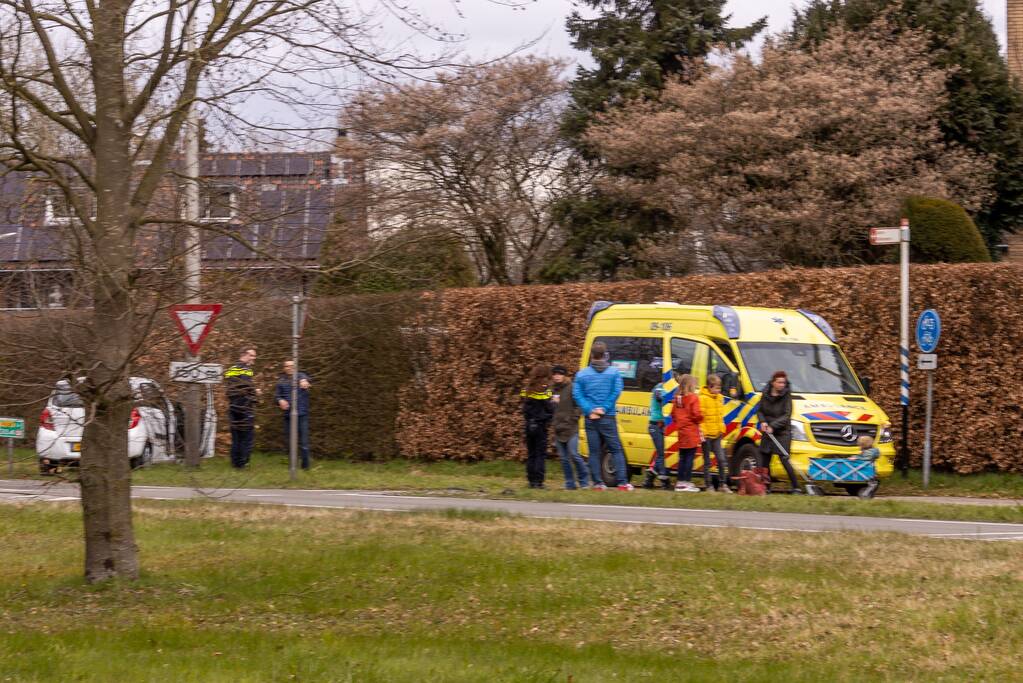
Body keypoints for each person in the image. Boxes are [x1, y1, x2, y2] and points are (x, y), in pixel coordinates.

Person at [573, 341, 633, 491]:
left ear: (592, 355)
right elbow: (616, 391)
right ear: (605, 355)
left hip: (590, 419)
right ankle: (622, 483)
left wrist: (589, 410)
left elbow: (577, 394)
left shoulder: (582, 374)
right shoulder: (614, 373)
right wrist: (604, 408)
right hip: (608, 417)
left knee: (594, 452)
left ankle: (598, 483)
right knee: (616, 450)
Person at [756, 370, 802, 494]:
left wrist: (773, 426)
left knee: (784, 458)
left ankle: (796, 487)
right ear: (773, 382)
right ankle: (767, 486)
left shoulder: (787, 396)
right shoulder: (765, 394)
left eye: (784, 383)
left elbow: (787, 415)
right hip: (768, 430)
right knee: (765, 458)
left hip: (782, 432)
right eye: (779, 382)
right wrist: (763, 422)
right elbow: (760, 410)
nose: (782, 385)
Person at [551, 364, 589, 490]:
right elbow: (549, 407)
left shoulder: (572, 387)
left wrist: (574, 418)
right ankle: (570, 483)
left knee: (574, 454)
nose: (557, 376)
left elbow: (579, 406)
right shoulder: (552, 389)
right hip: (558, 428)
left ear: (564, 375)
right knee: (564, 458)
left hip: (571, 428)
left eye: (559, 374)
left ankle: (584, 480)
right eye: (555, 374)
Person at [520, 363, 554, 489]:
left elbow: (524, 408)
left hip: (529, 425)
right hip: (541, 426)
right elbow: (549, 409)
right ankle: (538, 482)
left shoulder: (527, 389)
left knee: (531, 454)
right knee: (540, 454)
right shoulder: (545, 390)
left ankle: (530, 480)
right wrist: (554, 405)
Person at [224, 347, 259, 469]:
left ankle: (235, 464)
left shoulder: (231, 369)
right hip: (245, 407)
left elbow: (229, 388)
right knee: (246, 436)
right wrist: (255, 393)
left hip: (233, 406)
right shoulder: (246, 370)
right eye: (252, 355)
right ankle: (243, 463)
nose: (254, 358)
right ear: (244, 355)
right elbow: (246, 387)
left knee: (236, 437)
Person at [274, 360, 312, 470]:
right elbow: (276, 396)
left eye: (292, 366)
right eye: (287, 366)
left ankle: (305, 467)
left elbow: (306, 380)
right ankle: (292, 466)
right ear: (284, 368)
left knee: (304, 443)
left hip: (302, 415)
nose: (289, 368)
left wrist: (305, 382)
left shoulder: (301, 376)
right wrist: (280, 400)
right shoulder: (281, 381)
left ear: (295, 367)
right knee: (290, 442)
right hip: (288, 416)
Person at [699, 374, 731, 493]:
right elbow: (701, 418)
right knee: (707, 462)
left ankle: (723, 484)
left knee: (722, 460)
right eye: (716, 388)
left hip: (717, 434)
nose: (719, 391)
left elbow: (720, 416)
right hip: (707, 435)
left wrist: (721, 429)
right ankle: (709, 486)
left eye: (719, 388)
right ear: (709, 387)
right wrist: (704, 432)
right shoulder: (702, 398)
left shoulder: (720, 398)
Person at [671, 373, 703, 492]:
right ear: (691, 385)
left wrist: (679, 423)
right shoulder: (693, 398)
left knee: (682, 458)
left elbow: (673, 414)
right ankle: (687, 482)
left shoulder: (677, 398)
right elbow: (696, 414)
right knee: (689, 458)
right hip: (691, 432)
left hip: (682, 432)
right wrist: (700, 418)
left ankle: (679, 482)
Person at [642, 374, 671, 490]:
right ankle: (663, 480)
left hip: (659, 426)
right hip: (654, 426)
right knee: (661, 454)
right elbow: (660, 397)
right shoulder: (659, 387)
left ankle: (650, 479)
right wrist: (673, 397)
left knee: (660, 454)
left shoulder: (663, 387)